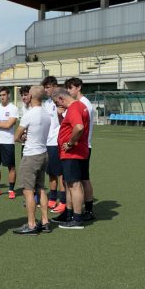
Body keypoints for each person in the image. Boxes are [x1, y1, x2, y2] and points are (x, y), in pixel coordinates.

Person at [13, 86, 51, 235]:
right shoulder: (46, 114)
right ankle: (45, 221)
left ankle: (31, 224)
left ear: (32, 96)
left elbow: (17, 136)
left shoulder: (29, 114)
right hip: (43, 153)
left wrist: (21, 137)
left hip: (31, 155)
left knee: (28, 191)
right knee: (40, 188)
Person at [51, 87, 90, 229]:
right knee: (70, 184)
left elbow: (78, 127)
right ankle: (70, 214)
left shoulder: (74, 108)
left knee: (74, 185)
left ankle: (77, 218)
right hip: (75, 152)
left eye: (57, 102)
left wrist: (70, 143)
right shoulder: (80, 106)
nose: (58, 105)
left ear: (61, 98)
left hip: (73, 152)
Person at [64, 77, 96, 221]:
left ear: (78, 88)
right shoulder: (79, 103)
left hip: (81, 146)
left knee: (82, 180)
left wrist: (71, 143)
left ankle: (87, 211)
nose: (69, 91)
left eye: (71, 88)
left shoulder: (83, 104)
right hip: (80, 145)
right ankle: (75, 211)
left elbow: (80, 127)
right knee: (79, 180)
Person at [0, 86, 18, 199]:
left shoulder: (13, 108)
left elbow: (8, 125)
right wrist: (2, 123)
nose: (2, 97)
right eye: (0, 95)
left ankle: (11, 190)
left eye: (4, 95)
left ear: (8, 95)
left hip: (8, 142)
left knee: (11, 167)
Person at [42, 76, 65, 212]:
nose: (46, 90)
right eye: (44, 87)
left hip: (57, 142)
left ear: (55, 87)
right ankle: (52, 198)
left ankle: (63, 201)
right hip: (47, 142)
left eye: (48, 87)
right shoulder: (47, 103)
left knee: (60, 173)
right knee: (51, 172)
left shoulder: (61, 101)